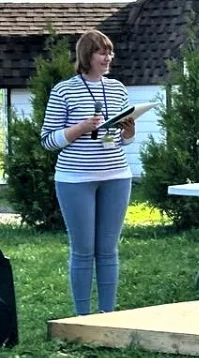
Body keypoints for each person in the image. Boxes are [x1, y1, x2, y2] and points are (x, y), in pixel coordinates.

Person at [40, 30, 136, 315]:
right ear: (86, 56)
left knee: (108, 250)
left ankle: (108, 315)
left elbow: (123, 141)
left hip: (116, 177)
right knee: (83, 250)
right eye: (101, 52)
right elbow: (48, 140)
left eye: (110, 52)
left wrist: (129, 131)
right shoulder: (64, 90)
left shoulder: (117, 89)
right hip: (76, 179)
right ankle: (82, 317)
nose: (108, 58)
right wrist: (80, 128)